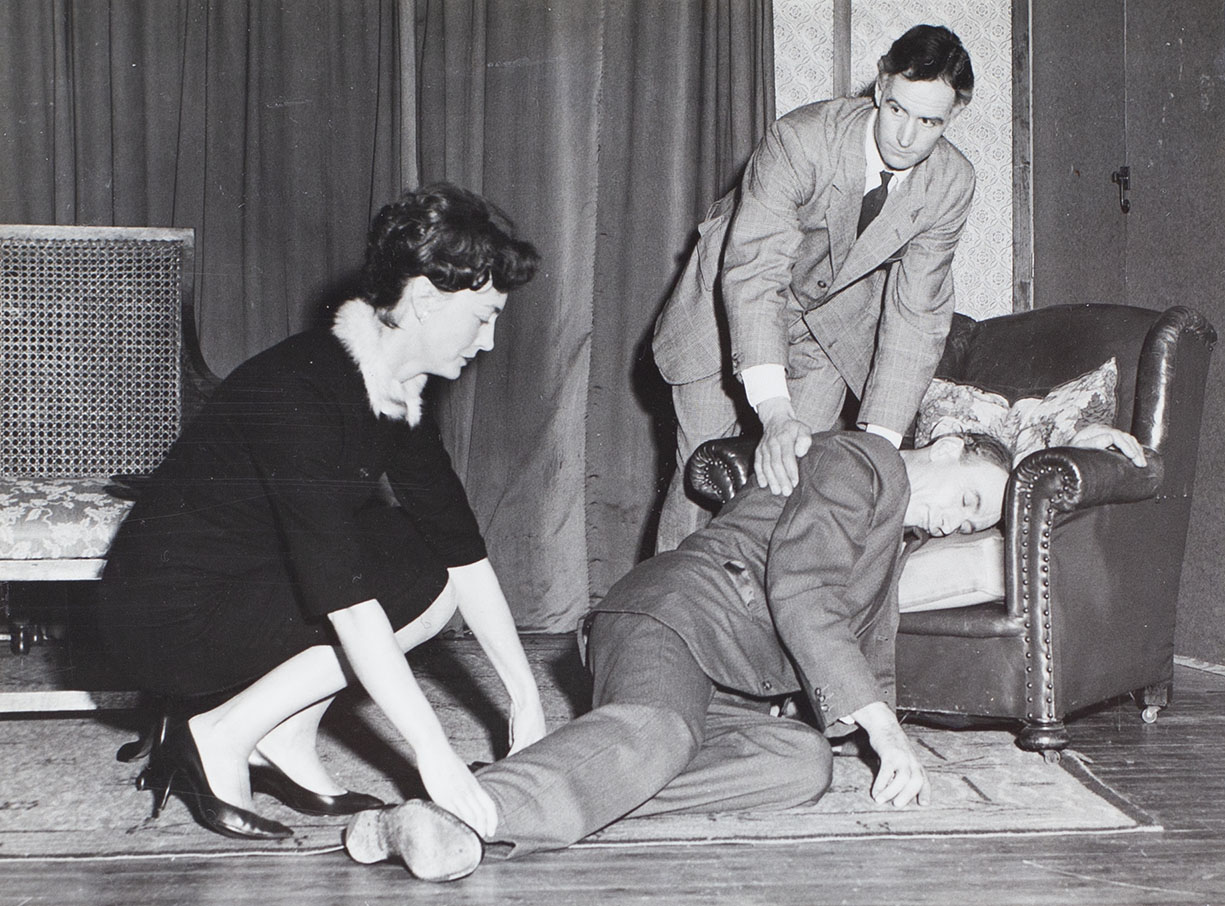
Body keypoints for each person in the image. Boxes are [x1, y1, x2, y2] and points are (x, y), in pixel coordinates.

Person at [343, 423, 1148, 882]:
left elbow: (861, 653)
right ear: (939, 445)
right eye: (969, 497)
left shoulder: (890, 536)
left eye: (974, 523)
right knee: (657, 730)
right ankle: (463, 815)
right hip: (676, 615)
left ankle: (551, 785)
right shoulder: (860, 462)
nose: (956, 521)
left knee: (800, 763)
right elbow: (798, 591)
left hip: (727, 679)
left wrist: (1074, 436)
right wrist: (887, 731)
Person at [96, 183, 546, 840]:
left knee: (424, 560)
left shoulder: (393, 387)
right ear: (423, 299)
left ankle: (285, 737)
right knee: (391, 580)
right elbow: (346, 599)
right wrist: (434, 754)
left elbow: (459, 546)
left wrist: (525, 699)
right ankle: (220, 735)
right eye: (483, 318)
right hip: (162, 619)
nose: (488, 343)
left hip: (239, 586)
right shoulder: (300, 390)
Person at [652, 24, 976, 551]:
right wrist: (775, 411)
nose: (906, 137)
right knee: (701, 481)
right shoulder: (801, 138)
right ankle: (658, 626)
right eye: (897, 110)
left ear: (954, 115)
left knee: (788, 494)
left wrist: (878, 450)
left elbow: (917, 318)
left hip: (828, 334)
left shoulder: (951, 184)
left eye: (929, 121)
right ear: (879, 86)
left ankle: (750, 631)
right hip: (726, 309)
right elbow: (756, 273)